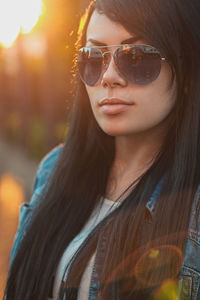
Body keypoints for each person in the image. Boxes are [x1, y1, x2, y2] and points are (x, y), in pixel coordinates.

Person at [5, 0, 200, 299]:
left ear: (186, 73)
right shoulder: (53, 169)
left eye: (135, 56)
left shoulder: (193, 205)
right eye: (93, 58)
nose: (108, 76)